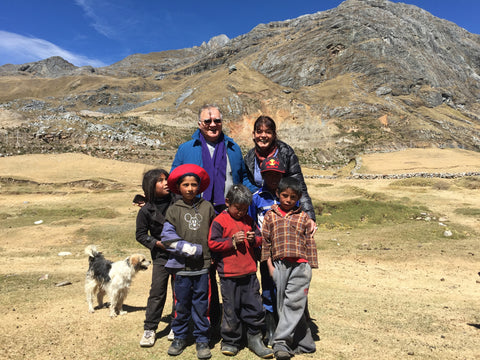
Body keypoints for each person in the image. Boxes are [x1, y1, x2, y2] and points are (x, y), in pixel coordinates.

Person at [170, 103, 250, 333]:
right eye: (208, 121)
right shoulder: (186, 149)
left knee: (227, 264)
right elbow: (175, 181)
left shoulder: (234, 148)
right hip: (196, 214)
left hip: (226, 215)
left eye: (217, 120)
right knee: (198, 267)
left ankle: (227, 321)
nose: (213, 125)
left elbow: (243, 178)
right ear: (199, 124)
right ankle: (193, 321)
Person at [208, 184, 274, 359]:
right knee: (231, 308)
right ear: (228, 202)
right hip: (228, 274)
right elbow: (213, 243)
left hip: (249, 272)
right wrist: (231, 241)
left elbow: (260, 238)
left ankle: (255, 339)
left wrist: (254, 240)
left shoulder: (249, 220)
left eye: (245, 209)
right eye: (238, 208)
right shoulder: (219, 221)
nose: (241, 212)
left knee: (254, 306)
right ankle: (230, 340)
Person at [161, 164, 215, 359]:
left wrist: (209, 254)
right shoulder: (174, 209)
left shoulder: (207, 207)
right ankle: (180, 337)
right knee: (181, 305)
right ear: (179, 187)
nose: (190, 188)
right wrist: (190, 249)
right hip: (181, 268)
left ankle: (202, 339)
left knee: (202, 305)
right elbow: (167, 238)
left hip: (202, 268)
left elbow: (214, 233)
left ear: (200, 187)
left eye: (194, 184)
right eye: (186, 184)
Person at [261, 177, 318, 360]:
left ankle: (281, 343)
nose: (287, 200)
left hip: (300, 265)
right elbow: (265, 242)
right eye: (284, 195)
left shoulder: (303, 217)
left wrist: (310, 266)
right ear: (278, 194)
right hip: (279, 265)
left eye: (292, 197)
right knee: (283, 305)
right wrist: (269, 266)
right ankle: (304, 342)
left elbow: (310, 242)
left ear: (298, 198)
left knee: (294, 303)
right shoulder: (270, 215)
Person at [244, 115, 316, 232]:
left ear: (274, 135)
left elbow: (298, 186)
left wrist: (310, 217)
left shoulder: (285, 153)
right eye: (259, 132)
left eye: (268, 132)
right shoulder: (250, 157)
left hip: (286, 209)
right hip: (262, 209)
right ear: (254, 134)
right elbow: (248, 184)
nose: (263, 136)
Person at [135, 168, 176, 347]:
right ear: (151, 186)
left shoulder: (178, 201)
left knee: (180, 291)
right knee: (157, 292)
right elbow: (141, 234)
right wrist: (156, 243)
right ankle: (150, 328)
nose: (165, 182)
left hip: (180, 254)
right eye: (160, 181)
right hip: (161, 256)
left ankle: (177, 324)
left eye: (166, 179)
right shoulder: (146, 211)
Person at [248, 156, 285, 348]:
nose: (273, 179)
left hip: (286, 252)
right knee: (269, 288)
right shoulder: (256, 198)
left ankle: (286, 327)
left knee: (285, 288)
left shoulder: (287, 196)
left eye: (277, 176)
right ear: (262, 176)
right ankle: (270, 328)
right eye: (269, 175)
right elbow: (252, 223)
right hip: (266, 252)